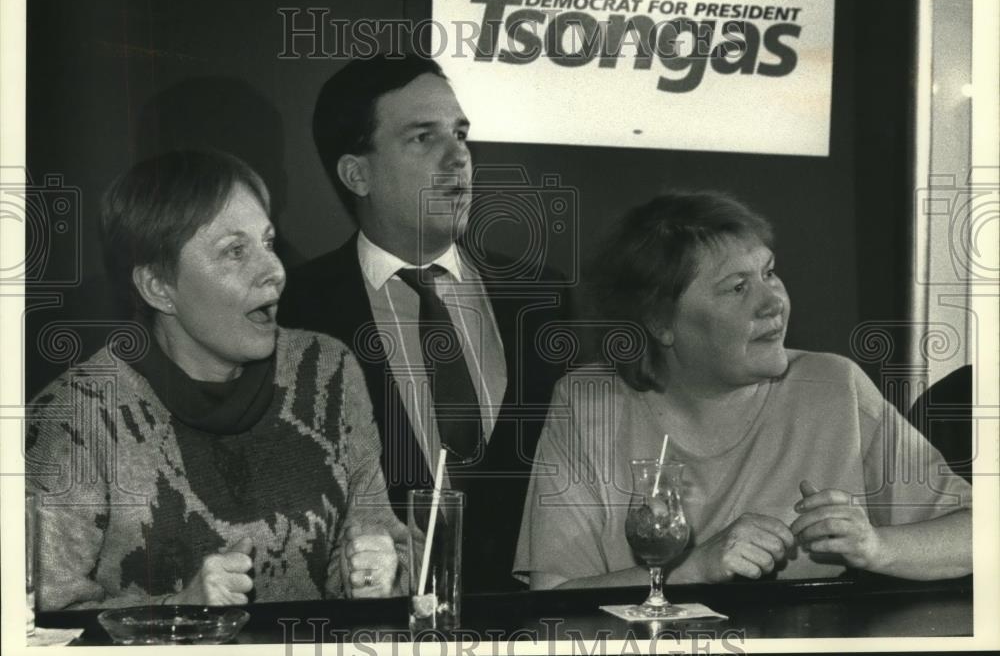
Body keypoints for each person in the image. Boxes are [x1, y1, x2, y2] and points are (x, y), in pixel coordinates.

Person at [515, 191, 972, 589]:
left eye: (769, 273)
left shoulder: (833, 386)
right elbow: (555, 592)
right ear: (659, 322)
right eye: (737, 287)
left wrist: (879, 547)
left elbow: (982, 536)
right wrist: (696, 568)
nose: (775, 302)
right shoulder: (587, 402)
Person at [27, 150, 406, 610]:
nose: (276, 271)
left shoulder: (327, 371)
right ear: (158, 288)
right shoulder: (76, 415)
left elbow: (383, 539)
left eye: (267, 243)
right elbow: (41, 620)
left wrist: (382, 572)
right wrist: (178, 614)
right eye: (235, 251)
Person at [279, 55, 570, 592]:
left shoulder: (546, 299)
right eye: (423, 137)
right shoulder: (293, 311)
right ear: (357, 173)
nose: (458, 156)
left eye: (460, 133)